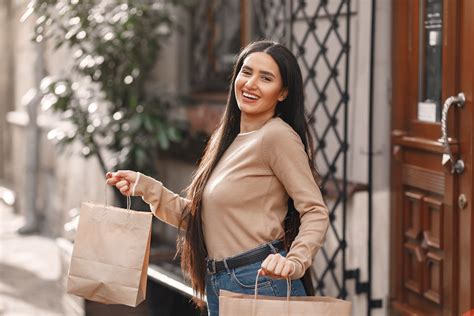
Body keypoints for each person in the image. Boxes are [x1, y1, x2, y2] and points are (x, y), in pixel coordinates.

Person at [106, 40, 329, 315]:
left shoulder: (277, 136)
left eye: (266, 78)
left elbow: (315, 211)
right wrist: (145, 187)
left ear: (282, 93)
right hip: (221, 282)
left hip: (258, 282)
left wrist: (295, 260)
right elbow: (199, 220)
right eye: (246, 72)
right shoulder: (228, 139)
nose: (251, 83)